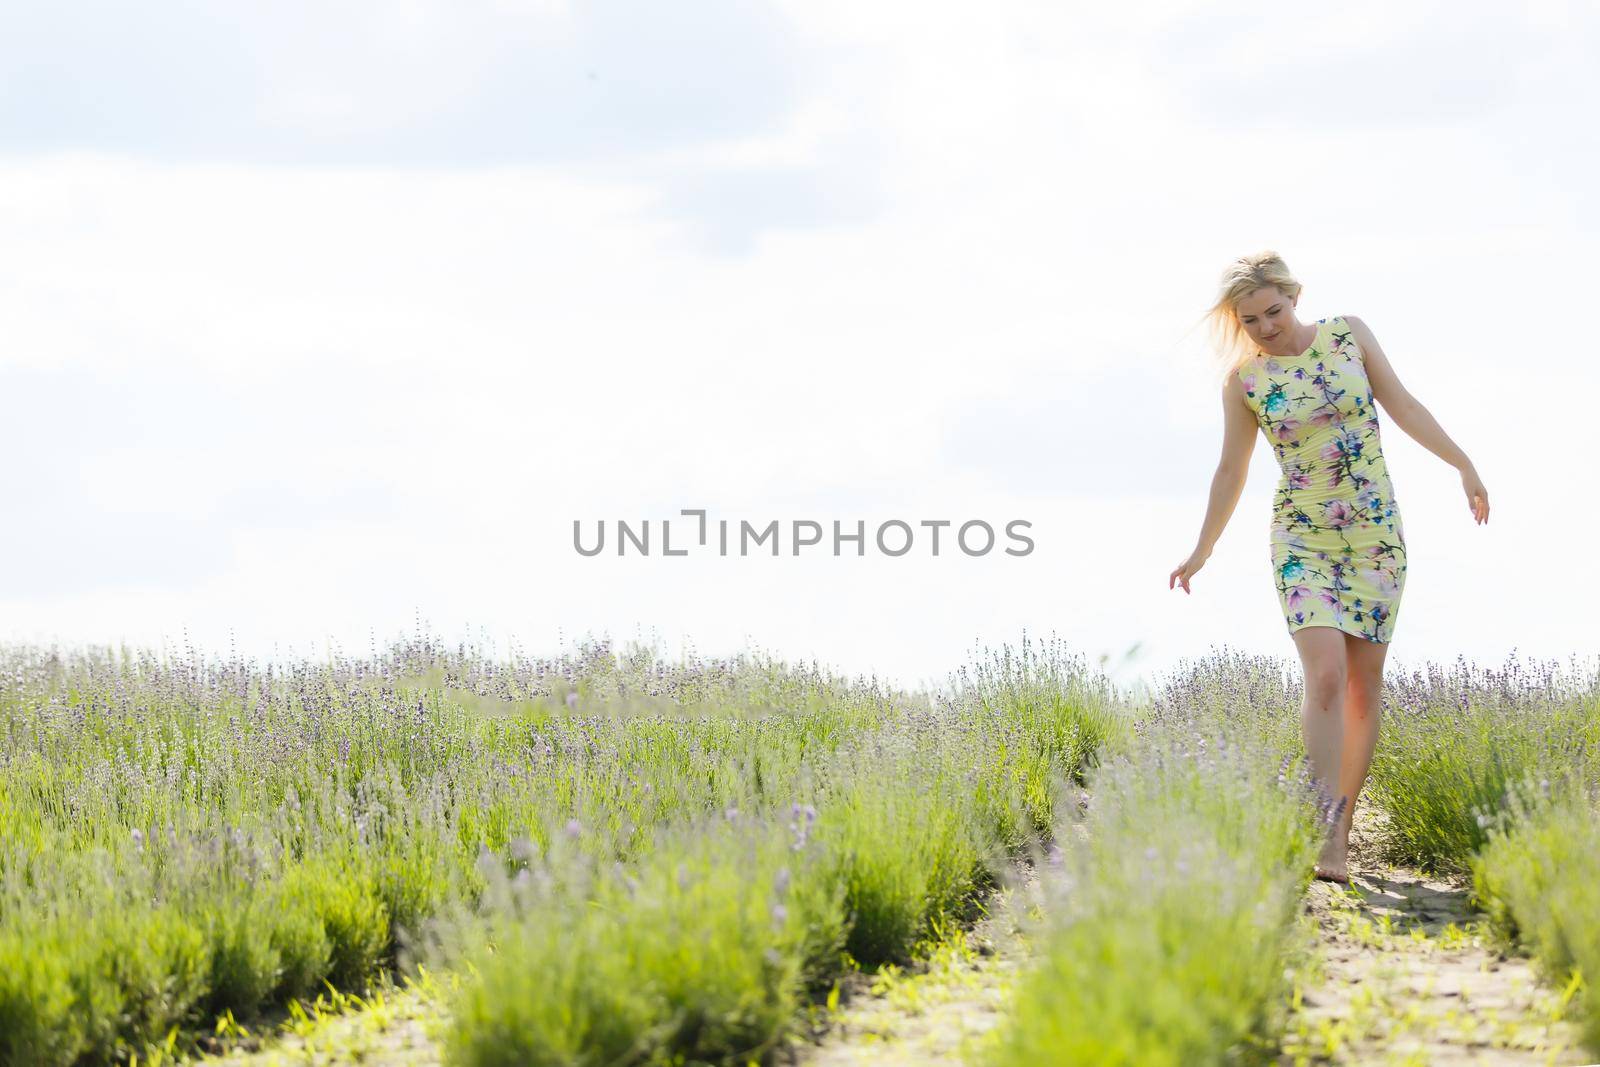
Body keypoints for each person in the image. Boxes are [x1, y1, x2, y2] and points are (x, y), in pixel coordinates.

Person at [1168, 250, 1490, 883]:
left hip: (1374, 534)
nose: (1265, 327)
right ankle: (1321, 832)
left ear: (1294, 297)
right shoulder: (1245, 382)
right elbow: (1231, 470)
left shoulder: (1350, 335)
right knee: (1324, 677)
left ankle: (1341, 828)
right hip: (1302, 538)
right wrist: (1202, 548)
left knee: (1364, 690)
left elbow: (1403, 406)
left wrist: (1463, 463)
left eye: (1274, 311)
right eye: (1250, 319)